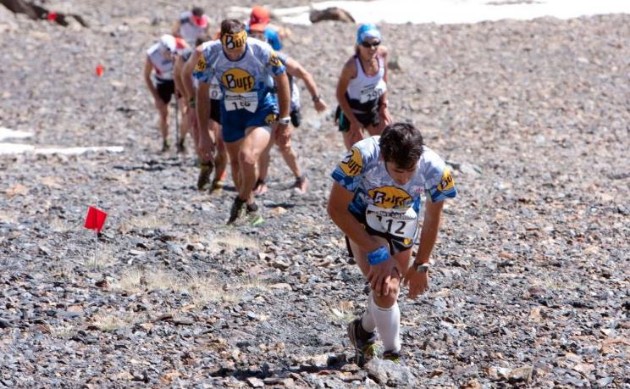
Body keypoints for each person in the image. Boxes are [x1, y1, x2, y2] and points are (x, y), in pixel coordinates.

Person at [327, 122, 457, 366]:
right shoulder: (362, 155)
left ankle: (362, 330)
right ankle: (392, 356)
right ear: (384, 157)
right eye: (398, 172)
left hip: (401, 223)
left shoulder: (435, 168)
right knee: (386, 289)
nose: (404, 178)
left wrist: (421, 264)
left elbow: (432, 219)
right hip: (363, 222)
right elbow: (335, 209)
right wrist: (376, 252)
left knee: (386, 291)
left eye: (411, 171)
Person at [187, 19, 291, 226]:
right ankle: (250, 205)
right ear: (221, 41)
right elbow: (203, 95)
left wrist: (285, 119)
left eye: (239, 49)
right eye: (229, 50)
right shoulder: (209, 54)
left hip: (262, 108)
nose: (234, 55)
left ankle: (239, 199)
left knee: (248, 158)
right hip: (231, 111)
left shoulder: (262, 50)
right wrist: (204, 134)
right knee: (235, 162)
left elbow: (282, 79)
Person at [248, 28, 328, 196]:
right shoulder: (250, 61)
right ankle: (261, 181)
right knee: (265, 146)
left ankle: (300, 178)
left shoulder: (281, 59)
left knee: (283, 145)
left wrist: (316, 98)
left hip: (284, 109)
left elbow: (304, 74)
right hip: (265, 109)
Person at [175, 35, 228, 191]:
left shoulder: (234, 55)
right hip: (203, 98)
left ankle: (218, 181)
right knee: (201, 134)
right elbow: (182, 75)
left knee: (223, 142)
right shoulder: (194, 54)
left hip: (224, 100)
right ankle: (206, 162)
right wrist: (190, 99)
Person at [336, 24, 392, 150]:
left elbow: (383, 80)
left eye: (375, 43)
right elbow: (339, 94)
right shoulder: (351, 67)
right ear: (359, 44)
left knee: (388, 149)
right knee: (358, 158)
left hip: (373, 109)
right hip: (353, 113)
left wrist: (384, 106)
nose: (372, 48)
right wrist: (354, 122)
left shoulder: (382, 54)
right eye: (366, 44)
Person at [143, 34, 189, 152]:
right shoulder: (152, 55)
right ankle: (165, 141)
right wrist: (156, 97)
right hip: (163, 82)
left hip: (179, 81)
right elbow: (147, 76)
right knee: (164, 113)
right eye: (166, 54)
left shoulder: (182, 45)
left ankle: (182, 141)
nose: (169, 56)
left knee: (185, 111)